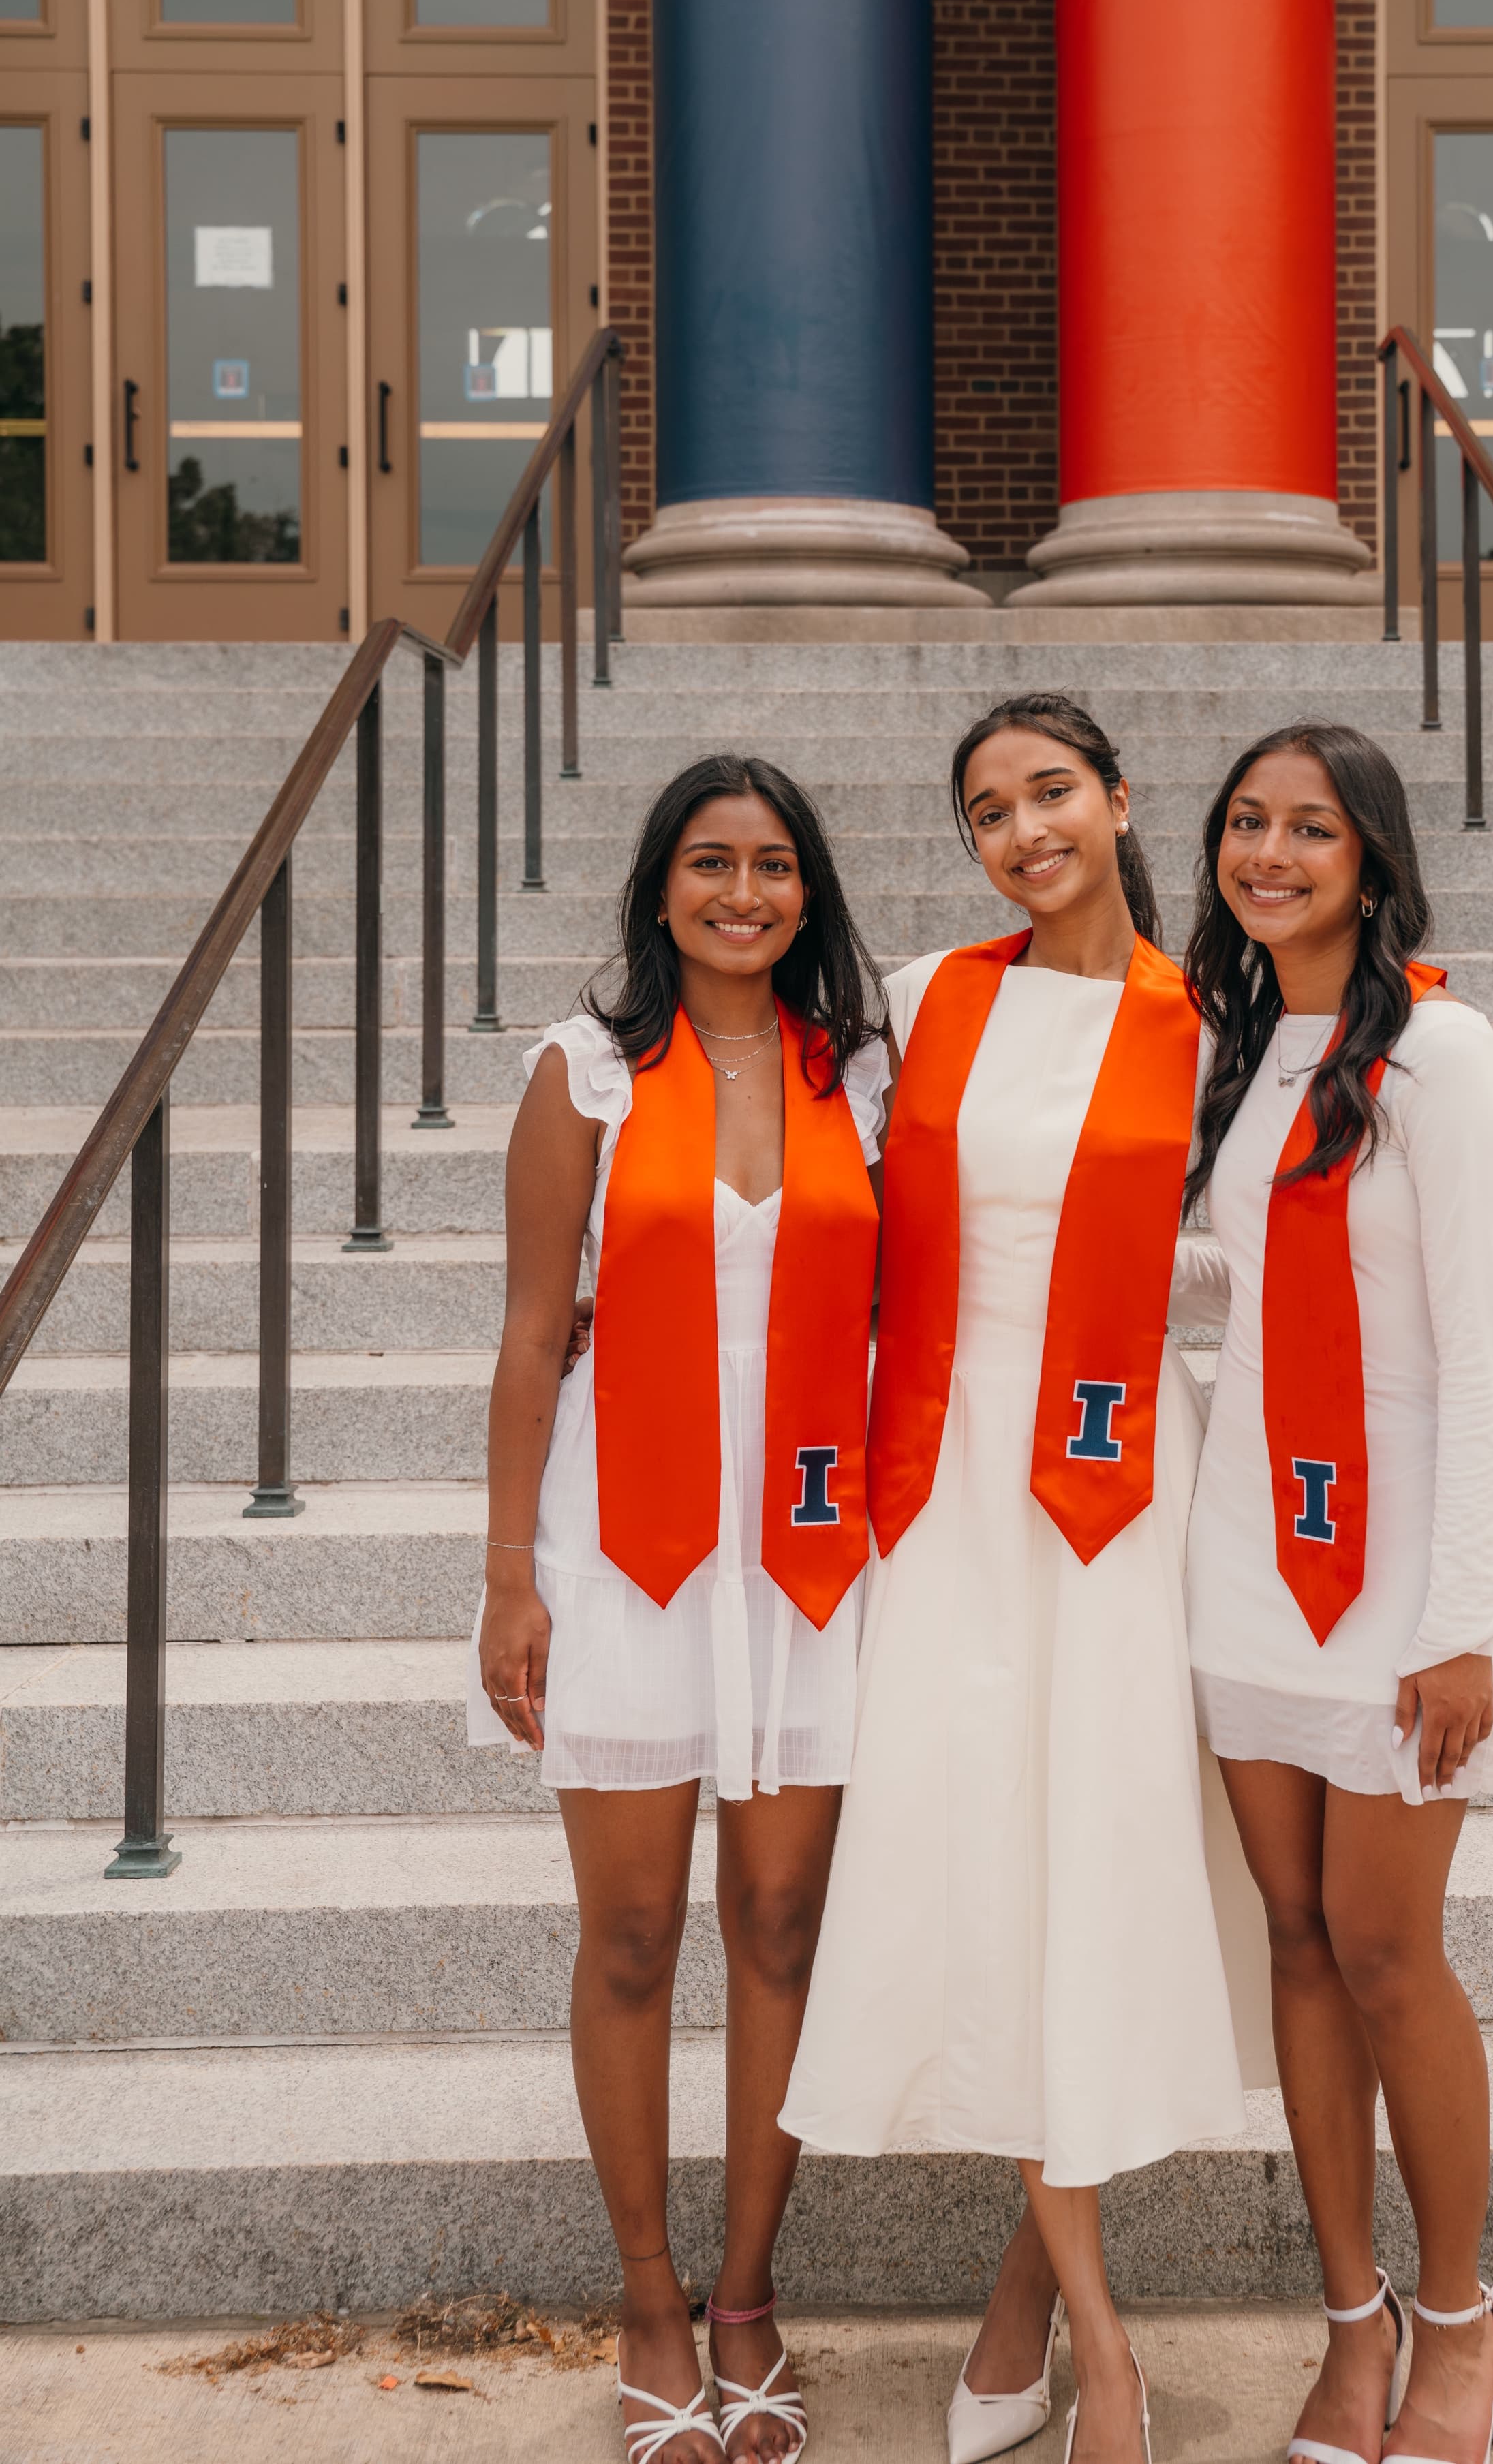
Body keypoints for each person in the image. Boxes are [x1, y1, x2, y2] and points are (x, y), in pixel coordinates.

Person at [780, 694, 1244, 2464]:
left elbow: (1261, 1234)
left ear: (1123, 800)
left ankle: (1033, 2299)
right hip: (951, 1471)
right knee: (990, 1855)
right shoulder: (923, 996)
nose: (1024, 827)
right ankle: (1097, 2346)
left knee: (1093, 1857)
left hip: (1122, 1466)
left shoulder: (1208, 1018)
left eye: (1052, 790)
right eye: (989, 807)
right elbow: (820, 1192)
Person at [470, 756, 889, 2464]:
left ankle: (745, 2296)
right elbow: (524, 1332)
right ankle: (648, 2304)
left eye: (775, 865)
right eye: (710, 863)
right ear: (659, 888)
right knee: (634, 1939)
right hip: (626, 1552)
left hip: (806, 1559)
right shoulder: (581, 1076)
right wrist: (508, 1574)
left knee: (783, 1930)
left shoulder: (862, 1075)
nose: (743, 892)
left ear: (809, 892)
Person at [1179, 720, 1493, 2464]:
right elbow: (1229, 1286)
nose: (1272, 854)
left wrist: (1464, 1617)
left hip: (1402, 1568)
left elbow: (1474, 1348)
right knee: (1297, 1946)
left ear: (1372, 860)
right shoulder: (1232, 1046)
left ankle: (1461, 2324)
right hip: (1249, 1551)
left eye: (1311, 828)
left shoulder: (1445, 1054)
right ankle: (1350, 2318)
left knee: (1390, 1949)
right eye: (1247, 823)